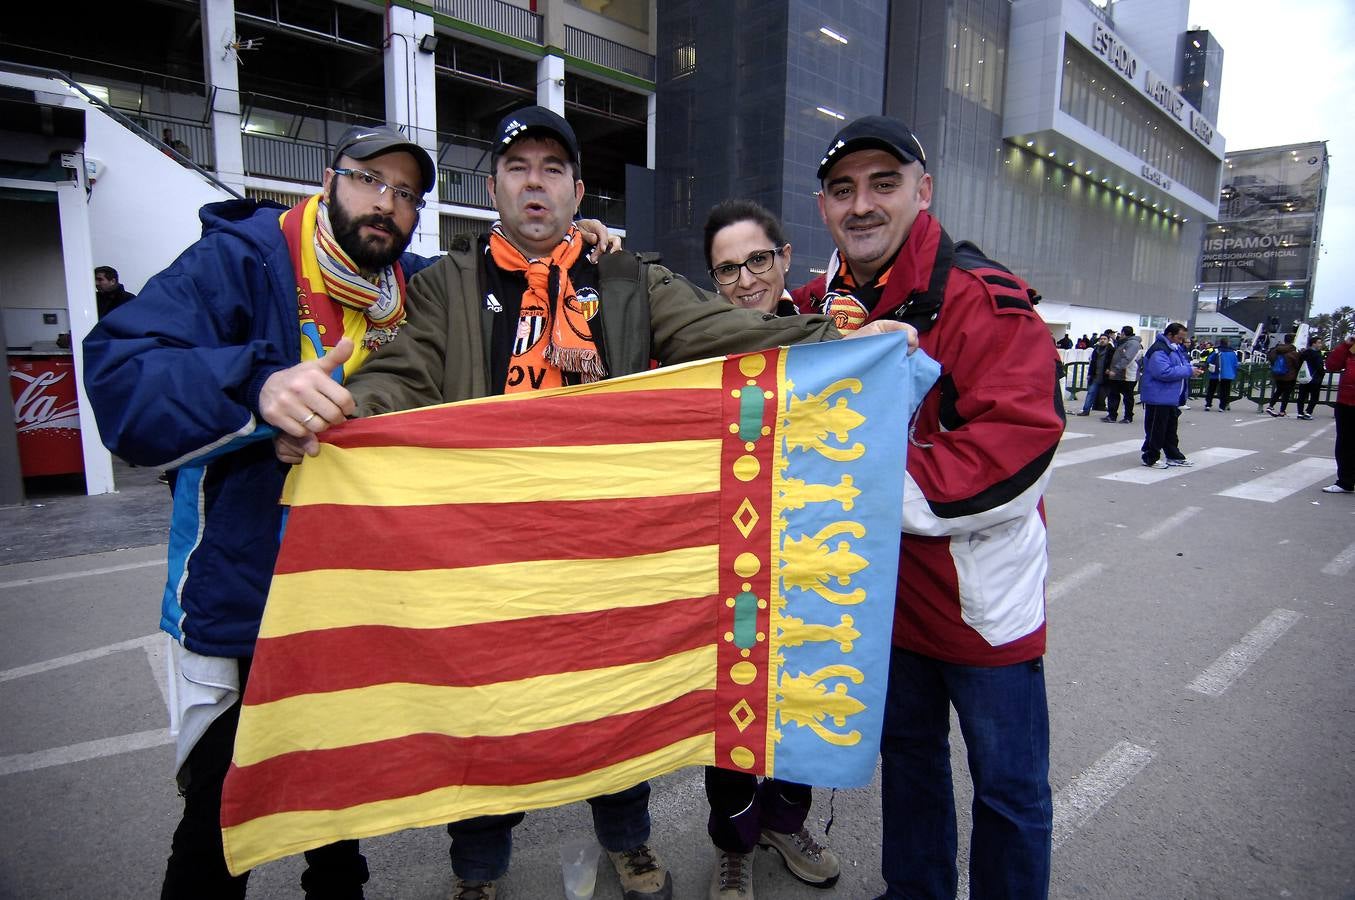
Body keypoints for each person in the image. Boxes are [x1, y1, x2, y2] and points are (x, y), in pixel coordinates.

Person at [276, 106, 906, 900]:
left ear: (576, 190)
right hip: (486, 555)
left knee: (615, 702)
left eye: (551, 169)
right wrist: (340, 411)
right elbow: (400, 379)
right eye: (516, 168)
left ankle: (629, 844)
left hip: (607, 550)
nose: (533, 183)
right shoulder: (445, 286)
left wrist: (843, 344)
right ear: (493, 188)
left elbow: (724, 334)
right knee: (488, 713)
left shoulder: (626, 277)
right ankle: (478, 871)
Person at [83, 124, 443, 899]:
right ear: (326, 180)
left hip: (356, 599)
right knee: (220, 822)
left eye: (406, 193)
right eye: (368, 180)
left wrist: (592, 249)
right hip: (246, 597)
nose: (385, 203)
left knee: (339, 813)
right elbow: (121, 371)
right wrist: (257, 389)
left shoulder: (412, 288)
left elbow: (506, 292)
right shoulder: (244, 258)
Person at [792, 115, 1063, 899]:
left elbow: (1016, 448)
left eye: (884, 184)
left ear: (923, 190)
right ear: (823, 208)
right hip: (882, 601)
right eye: (842, 190)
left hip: (982, 606)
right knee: (909, 762)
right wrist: (605, 249)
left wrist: (858, 484)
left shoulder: (985, 299)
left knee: (1008, 788)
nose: (862, 205)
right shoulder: (816, 303)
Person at [701, 198, 841, 899]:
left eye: (757, 259)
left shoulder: (831, 336)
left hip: (811, 554)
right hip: (730, 558)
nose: (744, 279)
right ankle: (734, 842)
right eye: (726, 268)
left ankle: (787, 823)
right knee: (730, 701)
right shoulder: (695, 344)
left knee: (800, 696)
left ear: (785, 258)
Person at [1140, 323, 1202, 469]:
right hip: (1158, 396)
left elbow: (1181, 365)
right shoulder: (1160, 350)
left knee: (1169, 429)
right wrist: (1188, 371)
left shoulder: (1173, 348)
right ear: (1170, 335)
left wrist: (1190, 369)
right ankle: (1150, 456)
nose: (1182, 341)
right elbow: (1163, 372)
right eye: (1180, 338)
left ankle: (1173, 455)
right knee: (1156, 429)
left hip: (1169, 396)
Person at [1322, 334, 1355, 493]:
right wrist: (1344, 346)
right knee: (1345, 444)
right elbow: (1331, 365)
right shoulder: (1350, 349)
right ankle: (1346, 481)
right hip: (1346, 402)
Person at [1102, 325, 1142, 423]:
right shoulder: (1125, 342)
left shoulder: (1132, 344)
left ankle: (1128, 417)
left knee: (1127, 397)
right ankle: (1112, 415)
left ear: (1123, 333)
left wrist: (1115, 369)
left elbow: (1127, 358)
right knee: (1114, 395)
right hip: (1119, 375)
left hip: (1127, 375)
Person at [1074, 330, 1113, 416]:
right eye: (1101, 339)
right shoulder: (1096, 350)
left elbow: (1114, 361)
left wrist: (1110, 369)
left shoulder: (1111, 350)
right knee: (1091, 393)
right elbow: (1092, 363)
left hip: (1106, 376)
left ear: (1108, 340)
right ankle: (1086, 410)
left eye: (1104, 339)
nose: (1102, 340)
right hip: (1095, 375)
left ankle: (1111, 413)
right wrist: (1089, 374)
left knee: (1110, 395)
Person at [1266, 333, 1301, 417]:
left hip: (1278, 374)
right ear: (1293, 340)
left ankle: (1270, 406)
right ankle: (1282, 411)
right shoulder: (1293, 352)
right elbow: (1297, 364)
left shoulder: (1277, 350)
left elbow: (1270, 357)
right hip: (1290, 376)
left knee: (1278, 391)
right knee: (1286, 394)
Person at [1202, 337, 1240, 412]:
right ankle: (1222, 406)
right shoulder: (1233, 352)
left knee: (1211, 389)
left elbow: (1209, 360)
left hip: (1216, 373)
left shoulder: (1216, 351)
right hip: (1228, 374)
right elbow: (1236, 364)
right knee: (1225, 391)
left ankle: (1208, 404)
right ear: (1228, 343)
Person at [1295, 336, 1326, 420]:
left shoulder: (1304, 354)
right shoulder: (1317, 354)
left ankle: (1300, 413)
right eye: (1319, 343)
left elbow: (1298, 364)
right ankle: (1308, 412)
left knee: (1301, 396)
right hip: (1314, 378)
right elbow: (1319, 367)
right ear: (1313, 344)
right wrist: (1322, 374)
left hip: (1304, 377)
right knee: (1314, 397)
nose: (1320, 344)